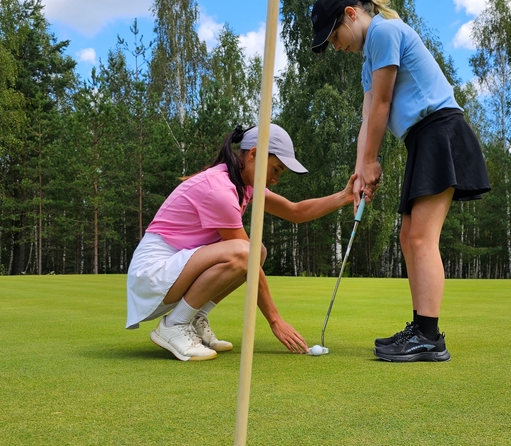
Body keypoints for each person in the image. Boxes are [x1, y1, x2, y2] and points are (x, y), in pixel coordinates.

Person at [309, 0, 491, 363]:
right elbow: (366, 118)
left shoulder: (385, 32)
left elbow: (385, 104)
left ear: (350, 14)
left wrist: (373, 160)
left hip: (440, 130)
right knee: (410, 236)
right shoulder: (368, 61)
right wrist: (360, 172)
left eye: (334, 36)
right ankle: (421, 328)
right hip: (422, 139)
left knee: (422, 238)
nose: (336, 46)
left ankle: (428, 336)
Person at [127, 123, 356, 361]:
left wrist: (344, 196)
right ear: (254, 154)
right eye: (275, 169)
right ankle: (174, 324)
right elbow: (246, 256)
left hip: (175, 268)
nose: (276, 179)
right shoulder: (220, 189)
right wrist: (275, 320)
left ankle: (194, 318)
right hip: (152, 274)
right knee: (247, 252)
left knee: (259, 252)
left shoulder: (243, 183)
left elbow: (295, 211)